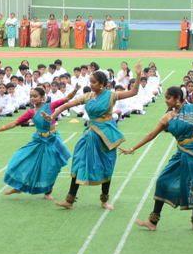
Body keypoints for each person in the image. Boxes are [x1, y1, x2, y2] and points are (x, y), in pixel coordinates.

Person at [120, 85, 193, 232]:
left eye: (168, 98)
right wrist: (133, 148)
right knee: (162, 181)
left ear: (177, 99)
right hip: (182, 153)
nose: (166, 101)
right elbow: (151, 135)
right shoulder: (167, 117)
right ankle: (153, 221)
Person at [47, 63, 142, 210]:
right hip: (90, 135)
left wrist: (138, 75)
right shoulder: (88, 96)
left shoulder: (111, 95)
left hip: (106, 136)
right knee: (79, 162)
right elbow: (67, 105)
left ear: (103, 84)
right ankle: (70, 200)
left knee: (106, 165)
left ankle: (104, 200)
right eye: (90, 82)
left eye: (94, 82)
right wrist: (53, 115)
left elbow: (133, 92)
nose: (91, 85)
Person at [0, 85, 77, 198]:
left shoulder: (50, 106)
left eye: (35, 96)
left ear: (42, 97)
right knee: (22, 160)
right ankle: (19, 187)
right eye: (31, 96)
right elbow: (15, 123)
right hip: (39, 141)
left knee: (52, 167)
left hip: (53, 141)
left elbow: (66, 99)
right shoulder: (31, 112)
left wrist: (75, 90)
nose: (32, 98)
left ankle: (48, 192)